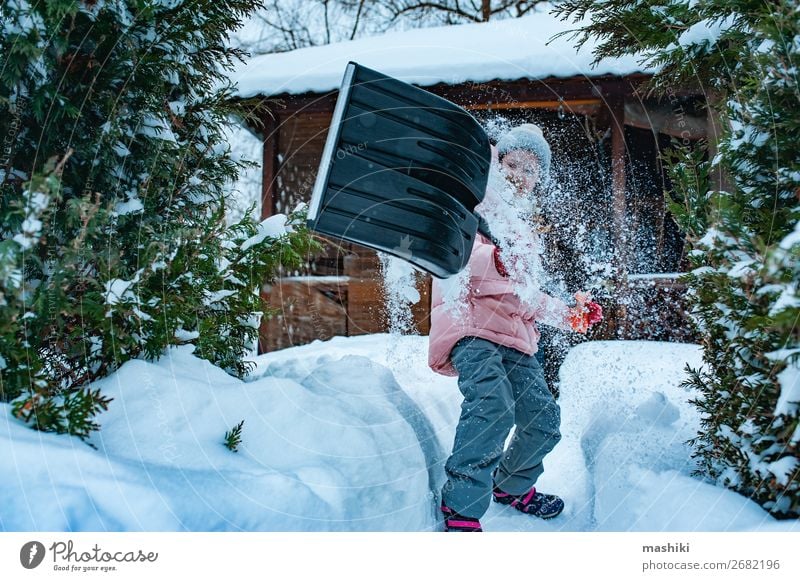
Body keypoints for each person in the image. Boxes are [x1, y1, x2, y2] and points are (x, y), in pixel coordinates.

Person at [428, 123, 602, 532]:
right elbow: (466, 265)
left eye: (531, 170)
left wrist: (568, 312)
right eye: (513, 165)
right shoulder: (474, 202)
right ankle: (462, 508)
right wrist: (502, 267)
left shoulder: (521, 227)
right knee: (492, 407)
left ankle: (511, 485)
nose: (520, 176)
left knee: (542, 419)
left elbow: (524, 293)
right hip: (472, 328)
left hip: (515, 336)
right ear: (496, 163)